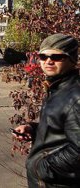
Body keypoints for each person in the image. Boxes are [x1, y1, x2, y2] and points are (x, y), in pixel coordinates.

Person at [12, 33, 80, 187]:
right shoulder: (56, 89)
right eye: (43, 56)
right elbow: (61, 130)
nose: (48, 61)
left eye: (57, 57)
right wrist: (33, 129)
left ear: (72, 60)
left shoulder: (75, 96)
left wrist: (41, 167)